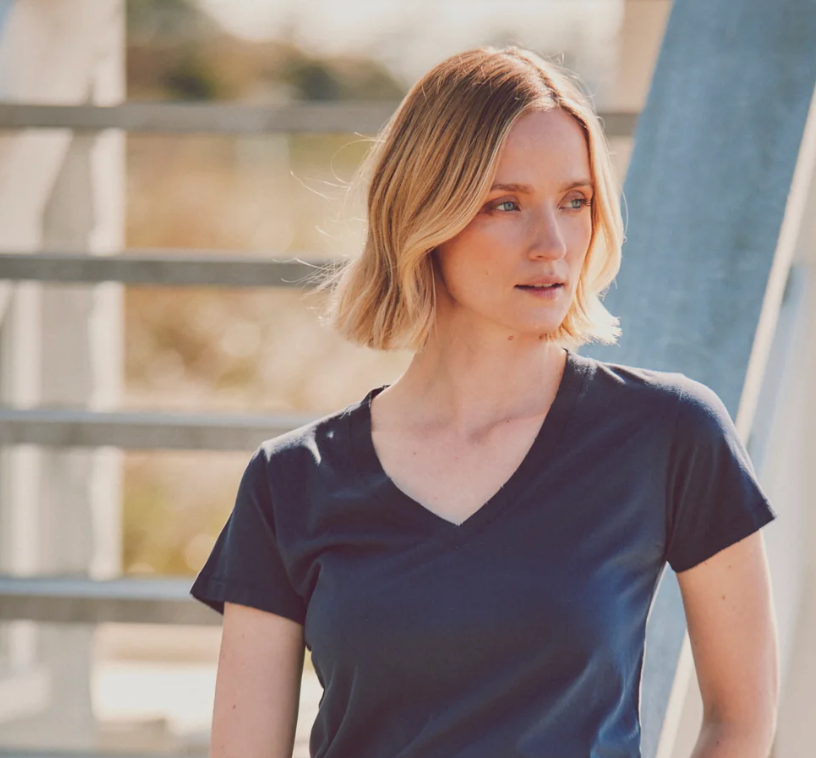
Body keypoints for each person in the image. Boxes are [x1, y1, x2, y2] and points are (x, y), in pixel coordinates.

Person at [190, 45, 779, 758]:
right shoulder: (292, 481)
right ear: (424, 217)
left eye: (575, 200)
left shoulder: (670, 434)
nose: (552, 242)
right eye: (505, 204)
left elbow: (741, 723)